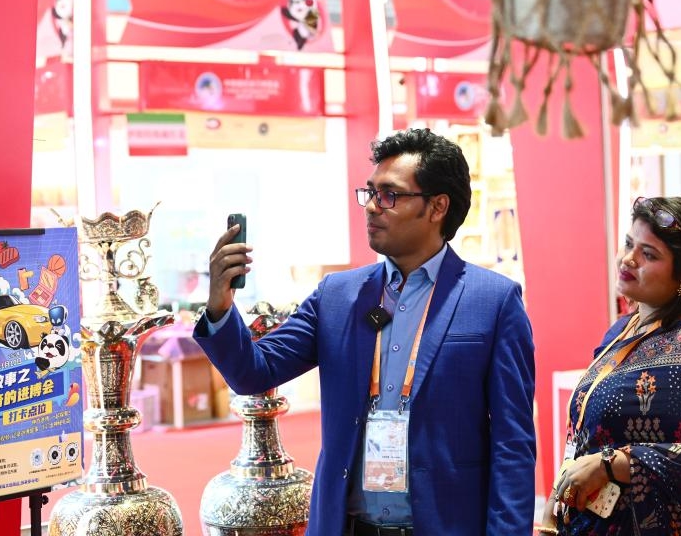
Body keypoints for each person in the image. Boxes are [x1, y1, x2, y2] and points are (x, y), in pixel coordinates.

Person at [194, 128, 536, 536]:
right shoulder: (338, 296)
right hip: (348, 525)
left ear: (437, 207)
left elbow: (512, 445)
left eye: (390, 195)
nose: (372, 207)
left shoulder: (493, 302)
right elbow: (253, 371)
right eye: (369, 192)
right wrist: (220, 306)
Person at [541, 196, 681, 536]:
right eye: (630, 243)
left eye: (649, 254)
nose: (628, 259)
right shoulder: (622, 330)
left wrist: (616, 464)